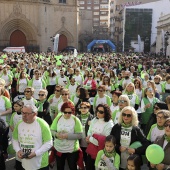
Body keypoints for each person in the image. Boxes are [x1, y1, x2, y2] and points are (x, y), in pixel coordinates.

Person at [12, 104, 53, 170]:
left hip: (40, 164)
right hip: (25, 163)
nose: (24, 115)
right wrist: (18, 150)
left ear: (35, 114)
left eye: (27, 113)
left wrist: (36, 153)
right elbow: (15, 140)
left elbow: (49, 143)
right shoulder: (19, 124)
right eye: (23, 112)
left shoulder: (42, 124)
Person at [50, 102, 83, 170]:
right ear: (62, 111)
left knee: (72, 167)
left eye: (69, 112)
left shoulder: (75, 120)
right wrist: (56, 134)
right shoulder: (58, 118)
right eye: (65, 112)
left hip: (72, 150)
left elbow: (80, 135)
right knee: (60, 167)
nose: (67, 114)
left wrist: (67, 136)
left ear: (72, 112)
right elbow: (52, 130)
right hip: (59, 148)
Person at [86, 104, 114, 170]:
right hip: (91, 150)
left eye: (101, 112)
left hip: (101, 152)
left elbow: (105, 141)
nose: (98, 113)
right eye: (97, 111)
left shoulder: (109, 124)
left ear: (106, 113)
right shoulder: (95, 119)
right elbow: (89, 131)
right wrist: (89, 137)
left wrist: (90, 139)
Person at [76, 102, 94, 166]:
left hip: (89, 142)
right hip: (80, 141)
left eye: (85, 107)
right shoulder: (77, 117)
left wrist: (92, 124)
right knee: (81, 158)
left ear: (88, 108)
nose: (83, 109)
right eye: (81, 107)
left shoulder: (92, 118)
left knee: (88, 161)